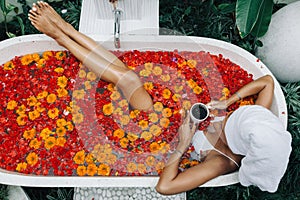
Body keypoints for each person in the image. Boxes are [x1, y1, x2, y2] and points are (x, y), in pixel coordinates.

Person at [155, 75, 292, 194]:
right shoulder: (255, 122)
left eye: (225, 123)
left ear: (234, 139)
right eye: (231, 115)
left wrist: (183, 144)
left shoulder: (221, 162)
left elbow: (165, 186)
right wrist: (228, 101)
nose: (219, 121)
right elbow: (267, 82)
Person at [28, 1, 153, 111]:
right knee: (125, 73)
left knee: (129, 79)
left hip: (150, 125)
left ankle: (62, 37)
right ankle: (67, 30)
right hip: (154, 111)